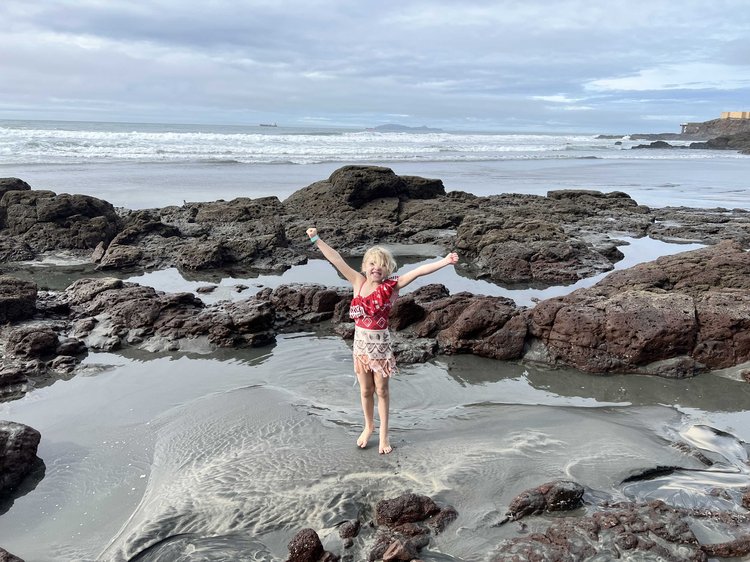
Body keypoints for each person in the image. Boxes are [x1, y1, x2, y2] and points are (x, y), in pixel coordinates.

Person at [306, 227, 459, 454]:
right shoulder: (357, 281)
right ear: (365, 267)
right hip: (360, 347)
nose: (376, 268)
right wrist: (316, 240)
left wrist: (445, 261)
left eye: (382, 265)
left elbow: (418, 271)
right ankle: (368, 426)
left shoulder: (391, 286)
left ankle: (385, 435)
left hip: (380, 347)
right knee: (366, 390)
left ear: (388, 269)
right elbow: (336, 259)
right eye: (372, 264)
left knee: (382, 390)